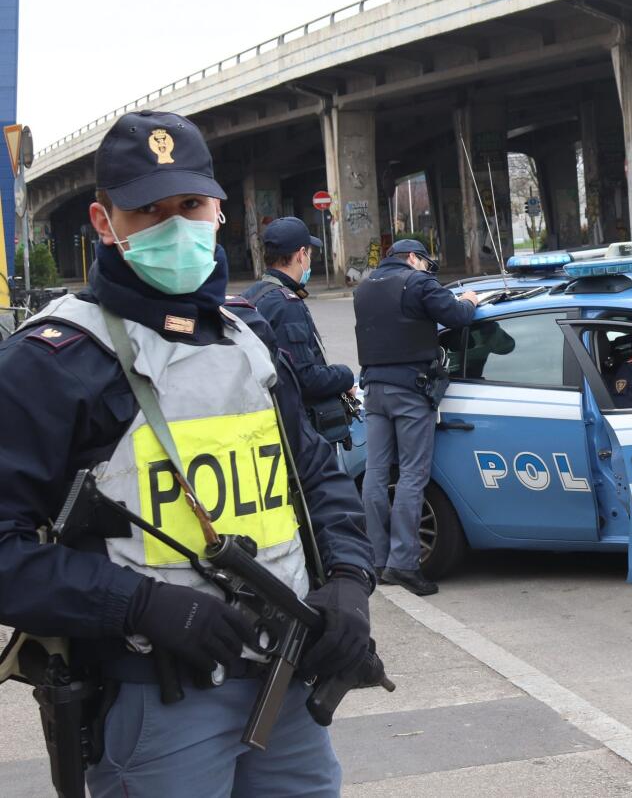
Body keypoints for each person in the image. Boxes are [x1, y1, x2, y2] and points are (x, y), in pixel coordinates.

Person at [0, 110, 375, 797]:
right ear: (104, 221)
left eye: (192, 204)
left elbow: (314, 473)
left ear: (220, 211)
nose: (177, 224)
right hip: (157, 698)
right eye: (150, 209)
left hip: (286, 684)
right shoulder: (49, 363)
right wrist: (135, 606)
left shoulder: (249, 336)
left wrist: (351, 580)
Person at [353, 238, 479, 595]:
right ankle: (404, 565)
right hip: (409, 390)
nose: (427, 268)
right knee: (412, 475)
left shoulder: (364, 289)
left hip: (373, 390)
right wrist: (468, 301)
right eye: (425, 262)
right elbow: (456, 316)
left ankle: (378, 560)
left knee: (376, 474)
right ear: (412, 258)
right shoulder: (416, 281)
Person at [243, 217, 356, 443]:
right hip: (298, 432)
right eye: (310, 255)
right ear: (301, 255)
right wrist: (345, 376)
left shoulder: (251, 296)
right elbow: (304, 378)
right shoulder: (286, 304)